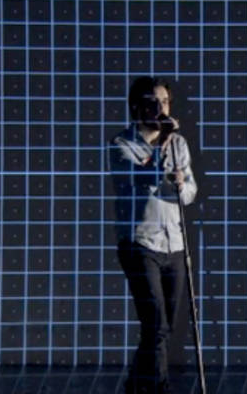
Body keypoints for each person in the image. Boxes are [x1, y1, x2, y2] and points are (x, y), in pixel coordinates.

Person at [108, 76, 198, 394]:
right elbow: (142, 177)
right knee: (156, 324)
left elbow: (190, 193)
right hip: (140, 243)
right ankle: (158, 388)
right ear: (136, 107)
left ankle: (135, 386)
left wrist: (182, 184)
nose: (160, 108)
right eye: (152, 102)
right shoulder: (121, 144)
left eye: (164, 102)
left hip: (174, 243)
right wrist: (163, 142)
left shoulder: (179, 144)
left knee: (163, 327)